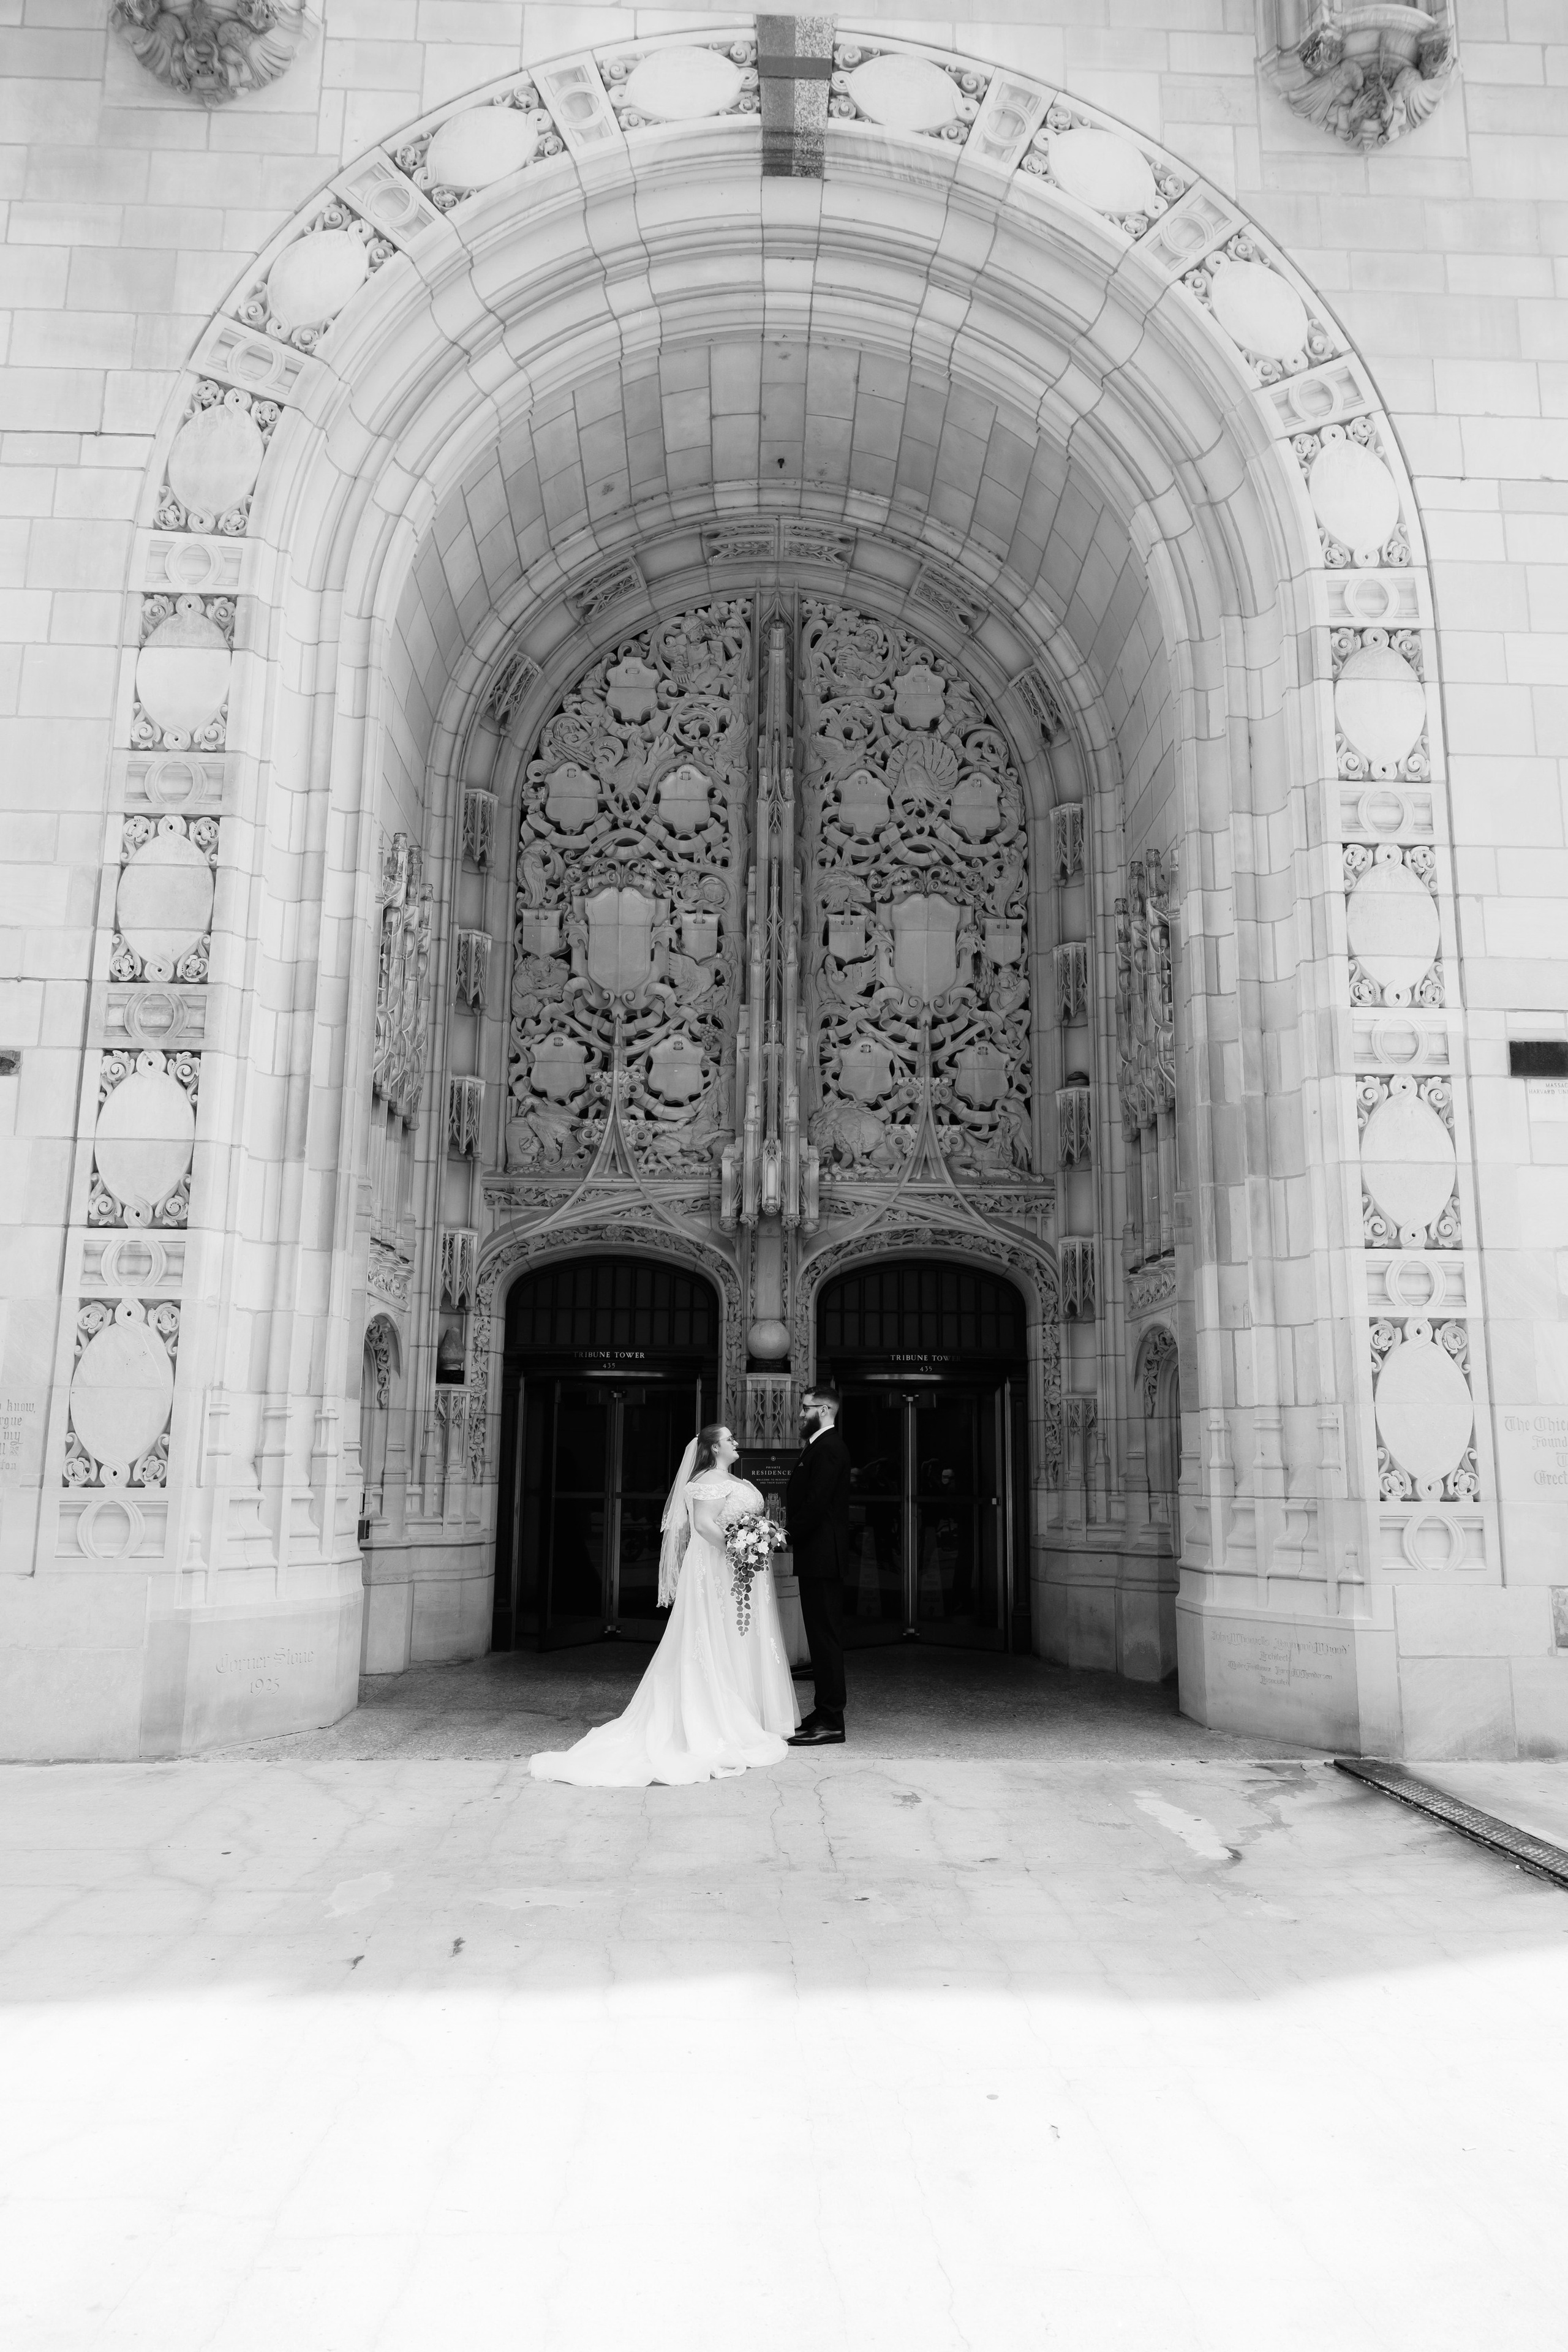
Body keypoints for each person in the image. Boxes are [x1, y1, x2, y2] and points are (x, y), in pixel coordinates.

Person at [529, 1423, 800, 1786]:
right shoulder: (706, 1482)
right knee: (714, 1634)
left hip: (737, 1568)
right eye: (729, 1439)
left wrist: (757, 1539)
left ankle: (752, 1712)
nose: (736, 1443)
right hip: (718, 1569)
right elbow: (704, 1526)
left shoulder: (732, 1480)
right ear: (714, 1448)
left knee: (741, 1632)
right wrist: (742, 1550)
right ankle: (718, 1717)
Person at [785, 1381, 852, 1747]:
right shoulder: (817, 1446)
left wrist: (784, 1536)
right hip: (817, 1557)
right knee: (819, 1639)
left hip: (824, 1558)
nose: (800, 1415)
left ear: (824, 1410)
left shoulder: (828, 1449)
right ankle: (822, 1712)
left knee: (825, 1641)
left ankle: (832, 1721)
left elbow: (816, 1505)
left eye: (805, 1408)